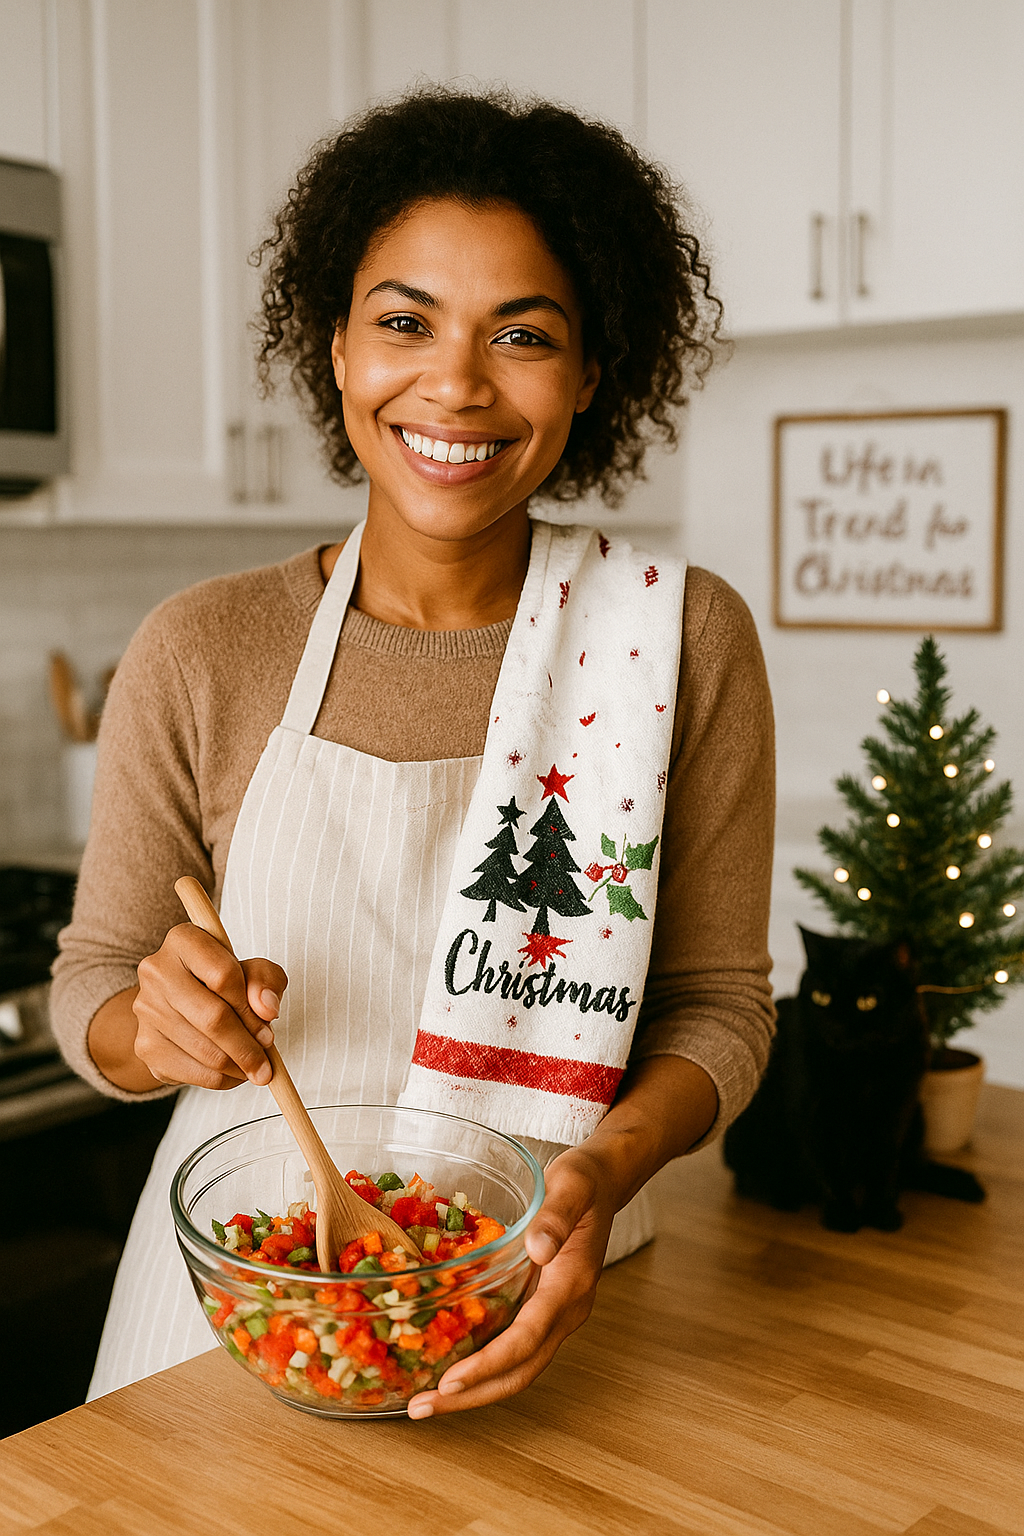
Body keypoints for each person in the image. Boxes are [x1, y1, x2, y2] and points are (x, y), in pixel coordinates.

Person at [52, 89, 775, 1419]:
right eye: (404, 322)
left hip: (545, 1293)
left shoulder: (677, 644)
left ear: (593, 373)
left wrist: (596, 1180)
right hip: (236, 1308)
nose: (456, 383)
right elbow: (91, 987)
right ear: (334, 349)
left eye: (524, 335)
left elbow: (720, 1006)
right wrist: (156, 1031)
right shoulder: (204, 646)